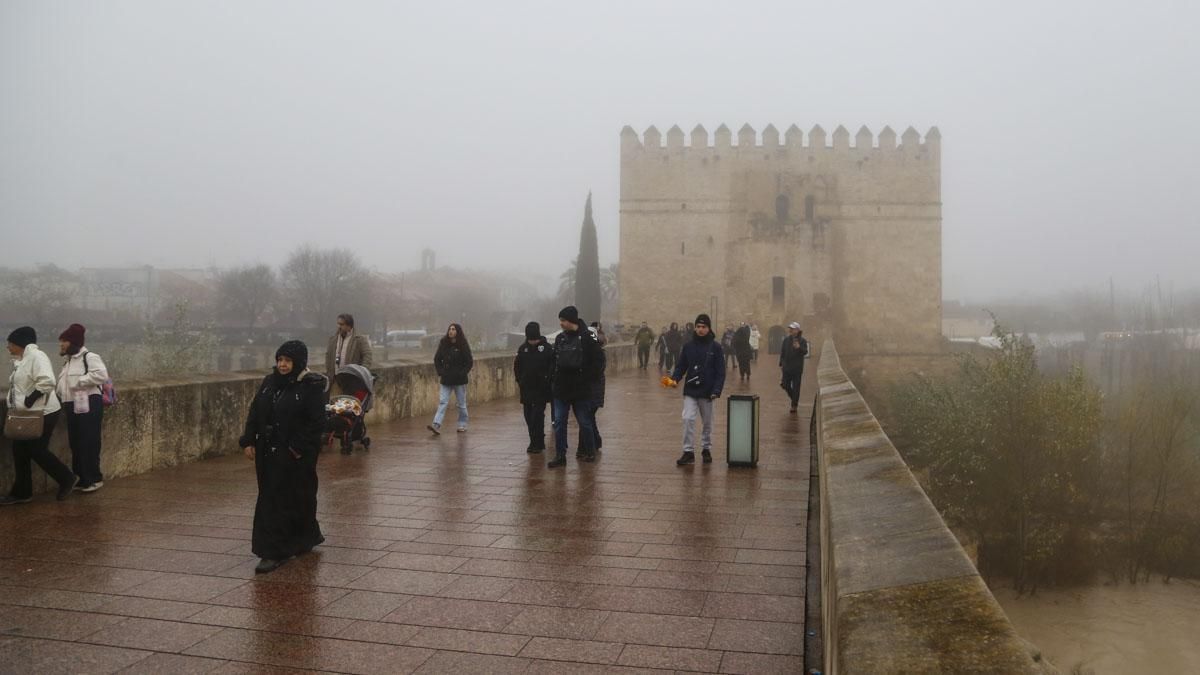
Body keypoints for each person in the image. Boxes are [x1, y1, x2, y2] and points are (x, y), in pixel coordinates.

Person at [239, 340, 327, 574]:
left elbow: (316, 423)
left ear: (298, 362)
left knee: (297, 497)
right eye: (280, 360)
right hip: (269, 450)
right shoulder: (270, 382)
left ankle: (280, 549)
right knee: (271, 498)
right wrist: (248, 439)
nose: (283, 365)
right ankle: (283, 544)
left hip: (296, 455)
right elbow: (256, 410)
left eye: (287, 361)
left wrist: (295, 449)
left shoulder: (311, 386)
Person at [2, 327, 77, 505]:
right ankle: (22, 493)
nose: (8, 347)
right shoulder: (22, 360)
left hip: (44, 411)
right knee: (19, 450)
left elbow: (47, 380)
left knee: (36, 449)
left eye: (10, 343)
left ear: (21, 344)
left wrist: (31, 398)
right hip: (27, 413)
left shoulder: (37, 357)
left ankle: (67, 478)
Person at [56, 323, 108, 493]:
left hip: (89, 402)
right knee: (76, 442)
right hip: (72, 404)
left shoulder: (89, 357)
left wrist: (80, 382)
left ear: (74, 342)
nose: (61, 345)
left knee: (89, 441)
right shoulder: (68, 361)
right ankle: (82, 478)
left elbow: (101, 375)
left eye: (64, 341)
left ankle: (94, 478)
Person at [669, 314, 726, 466]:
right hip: (691, 390)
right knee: (688, 418)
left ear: (709, 328)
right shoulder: (688, 346)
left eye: (704, 327)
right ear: (695, 327)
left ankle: (706, 448)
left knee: (707, 423)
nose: (700, 330)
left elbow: (721, 372)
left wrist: (716, 390)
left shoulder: (716, 347)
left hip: (708, 392)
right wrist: (675, 378)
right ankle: (688, 451)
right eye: (698, 327)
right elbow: (681, 365)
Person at [548, 306, 601, 468]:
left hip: (581, 388)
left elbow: (598, 362)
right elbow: (554, 361)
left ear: (571, 320)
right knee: (559, 422)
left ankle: (590, 451)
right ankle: (560, 455)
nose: (561, 323)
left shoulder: (588, 337)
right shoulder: (560, 339)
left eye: (563, 320)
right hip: (561, 388)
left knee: (584, 422)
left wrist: (587, 379)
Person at [514, 321, 553, 453]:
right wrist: (520, 380)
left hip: (541, 388)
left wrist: (547, 380)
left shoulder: (547, 349)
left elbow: (551, 367)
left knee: (537, 415)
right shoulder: (522, 348)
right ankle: (533, 440)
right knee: (528, 416)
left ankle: (538, 442)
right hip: (526, 388)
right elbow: (517, 366)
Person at [428, 323, 472, 434]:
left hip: (459, 380)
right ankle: (436, 425)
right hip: (446, 379)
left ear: (458, 331)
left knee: (461, 404)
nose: (451, 331)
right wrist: (441, 372)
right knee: (443, 402)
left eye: (453, 329)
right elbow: (437, 359)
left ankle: (462, 424)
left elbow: (469, 362)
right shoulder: (443, 343)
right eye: (449, 329)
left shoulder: (463, 344)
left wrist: (462, 373)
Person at [581, 322, 606, 455]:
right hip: (594, 391)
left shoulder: (598, 354)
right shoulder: (597, 352)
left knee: (588, 416)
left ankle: (595, 441)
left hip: (593, 391)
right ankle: (595, 441)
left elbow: (595, 374)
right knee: (589, 417)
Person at [325, 313, 373, 379]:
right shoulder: (333, 339)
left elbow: (367, 356)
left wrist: (362, 373)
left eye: (341, 324)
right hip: (334, 379)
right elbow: (328, 356)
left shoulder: (359, 339)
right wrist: (329, 373)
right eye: (338, 324)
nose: (338, 326)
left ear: (349, 326)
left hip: (352, 380)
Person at [779, 322, 810, 413]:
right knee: (785, 385)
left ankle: (794, 405)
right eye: (790, 329)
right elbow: (783, 352)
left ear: (797, 330)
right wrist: (781, 363)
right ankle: (794, 398)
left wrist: (799, 348)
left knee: (796, 387)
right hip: (787, 368)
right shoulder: (786, 340)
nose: (790, 330)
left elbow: (805, 352)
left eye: (792, 329)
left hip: (797, 368)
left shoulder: (802, 341)